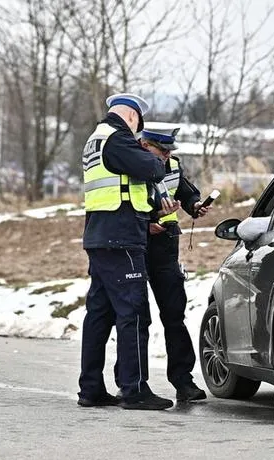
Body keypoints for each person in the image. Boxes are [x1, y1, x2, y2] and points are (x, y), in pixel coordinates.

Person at [78, 93, 178, 411]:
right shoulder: (118, 139)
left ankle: (91, 388)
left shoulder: (96, 139)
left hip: (100, 236)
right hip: (122, 237)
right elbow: (153, 167)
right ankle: (134, 389)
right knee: (133, 314)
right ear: (133, 118)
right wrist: (150, 160)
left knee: (99, 314)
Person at [134, 124, 210, 402]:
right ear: (145, 145)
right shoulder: (130, 162)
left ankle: (183, 380)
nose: (166, 155)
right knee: (137, 316)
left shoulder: (173, 164)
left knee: (174, 315)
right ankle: (133, 383)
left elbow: (186, 192)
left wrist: (195, 206)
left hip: (166, 246)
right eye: (161, 150)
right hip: (138, 243)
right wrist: (147, 222)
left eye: (169, 150)